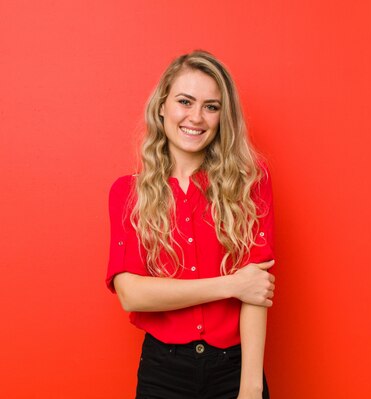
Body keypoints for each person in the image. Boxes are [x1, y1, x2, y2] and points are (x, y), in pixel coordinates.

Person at [106, 50, 276, 399]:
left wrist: (251, 387)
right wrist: (232, 285)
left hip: (236, 369)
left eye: (211, 107)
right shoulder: (127, 193)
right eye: (185, 102)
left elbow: (256, 289)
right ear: (162, 106)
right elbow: (131, 294)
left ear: (222, 117)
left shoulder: (249, 181)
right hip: (162, 372)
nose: (196, 117)